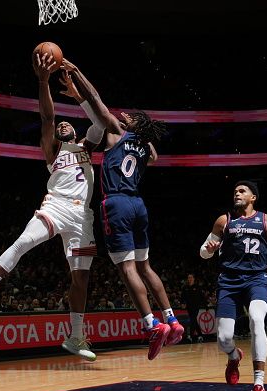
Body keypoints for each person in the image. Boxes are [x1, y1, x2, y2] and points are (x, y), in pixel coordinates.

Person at [0, 53, 106, 362]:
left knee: (80, 279)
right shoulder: (52, 150)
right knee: (24, 241)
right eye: (60, 125)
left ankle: (76, 336)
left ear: (75, 133)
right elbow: (48, 118)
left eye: (68, 124)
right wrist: (43, 81)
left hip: (83, 216)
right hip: (57, 206)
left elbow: (99, 121)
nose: (63, 124)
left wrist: (78, 96)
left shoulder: (87, 147)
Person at [60, 58, 184, 360]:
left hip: (115, 203)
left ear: (134, 125)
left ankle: (150, 324)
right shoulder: (147, 149)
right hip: (138, 204)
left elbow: (97, 100)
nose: (123, 116)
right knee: (145, 266)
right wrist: (78, 98)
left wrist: (77, 73)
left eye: (129, 117)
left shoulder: (118, 132)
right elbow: (150, 152)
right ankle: (171, 319)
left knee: (126, 268)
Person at [199, 180, 267, 391]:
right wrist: (209, 249)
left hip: (256, 279)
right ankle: (234, 357)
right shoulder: (223, 220)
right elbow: (203, 253)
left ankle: (259, 383)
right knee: (224, 339)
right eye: (235, 191)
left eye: (242, 191)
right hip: (229, 281)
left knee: (256, 318)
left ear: (253, 197)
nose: (237, 193)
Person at [181, 273, 206, 343]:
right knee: (194, 320)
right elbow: (182, 297)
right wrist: (182, 303)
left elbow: (202, 297)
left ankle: (190, 336)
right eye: (188, 277)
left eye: (191, 277)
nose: (190, 279)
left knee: (192, 320)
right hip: (189, 307)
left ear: (194, 279)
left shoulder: (198, 287)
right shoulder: (185, 287)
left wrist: (205, 306)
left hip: (196, 307)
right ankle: (200, 335)